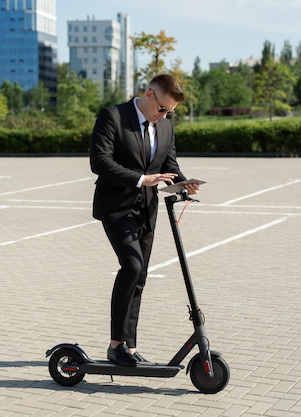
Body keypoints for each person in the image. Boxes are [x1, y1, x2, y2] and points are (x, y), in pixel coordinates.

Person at [90, 73, 199, 367]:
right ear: (149, 95)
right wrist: (141, 179)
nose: (164, 115)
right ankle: (115, 344)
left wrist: (184, 183)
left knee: (140, 277)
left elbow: (169, 164)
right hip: (116, 207)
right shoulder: (112, 117)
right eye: (162, 109)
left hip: (147, 211)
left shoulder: (165, 126)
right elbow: (99, 161)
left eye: (170, 112)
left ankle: (130, 346)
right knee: (132, 266)